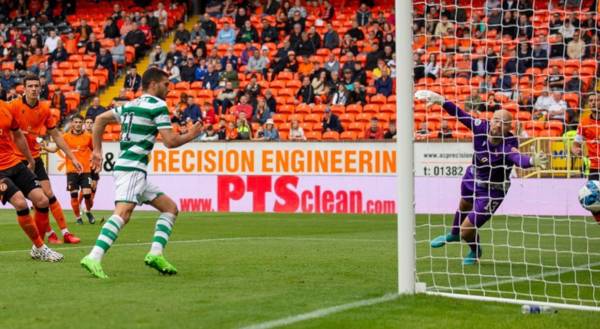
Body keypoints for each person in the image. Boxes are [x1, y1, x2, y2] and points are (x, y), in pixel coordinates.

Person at [80, 68, 204, 279]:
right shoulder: (157, 105)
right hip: (133, 168)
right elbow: (170, 142)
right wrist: (192, 134)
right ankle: (94, 256)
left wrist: (97, 150)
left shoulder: (130, 105)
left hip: (131, 167)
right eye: (166, 84)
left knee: (170, 208)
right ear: (154, 84)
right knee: (123, 213)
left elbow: (100, 119)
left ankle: (155, 254)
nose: (169, 88)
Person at [416, 90, 547, 265]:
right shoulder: (480, 126)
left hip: (493, 189)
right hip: (473, 176)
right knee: (463, 204)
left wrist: (532, 160)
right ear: (491, 120)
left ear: (509, 128)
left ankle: (474, 250)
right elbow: (460, 115)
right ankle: (453, 234)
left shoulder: (508, 144)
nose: (497, 125)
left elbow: (518, 159)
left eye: (503, 123)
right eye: (496, 120)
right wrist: (441, 100)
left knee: (467, 231)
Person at [9, 74, 83, 244]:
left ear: (41, 88)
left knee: (48, 194)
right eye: (31, 86)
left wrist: (72, 157)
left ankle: (65, 233)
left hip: (35, 157)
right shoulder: (13, 106)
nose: (34, 89)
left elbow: (56, 135)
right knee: (37, 198)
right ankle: (50, 235)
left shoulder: (44, 110)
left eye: (37, 86)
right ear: (24, 88)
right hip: (16, 160)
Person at [0, 101, 64, 261]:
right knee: (21, 203)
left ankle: (37, 248)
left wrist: (30, 159)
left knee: (42, 200)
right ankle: (42, 248)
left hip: (14, 162)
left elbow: (18, 135)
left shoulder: (6, 108)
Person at [62, 115, 95, 225]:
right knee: (74, 195)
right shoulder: (65, 137)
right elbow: (55, 148)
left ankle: (88, 211)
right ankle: (78, 218)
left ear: (83, 124)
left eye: (80, 122)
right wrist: (45, 147)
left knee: (87, 195)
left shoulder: (88, 136)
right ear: (72, 123)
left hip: (86, 170)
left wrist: (97, 161)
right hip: (71, 171)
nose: (78, 124)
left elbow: (96, 150)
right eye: (75, 122)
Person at [572, 95, 600, 223]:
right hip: (594, 167)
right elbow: (575, 145)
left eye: (597, 100)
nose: (594, 102)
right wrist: (576, 150)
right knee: (591, 199)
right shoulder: (584, 122)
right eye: (591, 100)